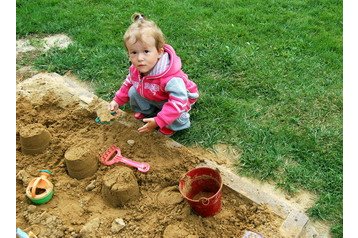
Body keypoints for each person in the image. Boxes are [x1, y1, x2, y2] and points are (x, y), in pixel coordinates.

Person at [108, 13, 199, 136]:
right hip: (156, 94)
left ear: (159, 52)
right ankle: (146, 111)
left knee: (175, 112)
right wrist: (117, 100)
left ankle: (174, 125)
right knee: (133, 92)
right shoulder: (136, 69)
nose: (140, 58)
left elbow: (179, 101)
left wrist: (159, 120)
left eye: (146, 51)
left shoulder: (171, 79)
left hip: (179, 99)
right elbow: (128, 83)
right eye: (134, 52)